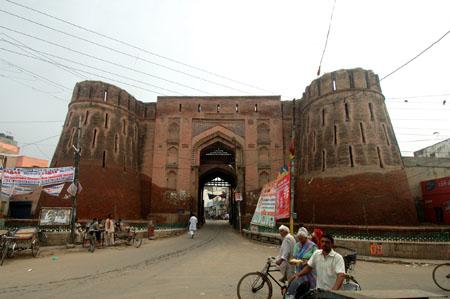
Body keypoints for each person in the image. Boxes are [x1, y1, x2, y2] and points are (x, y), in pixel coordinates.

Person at [285, 228, 318, 299]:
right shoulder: (297, 245)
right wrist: (292, 261)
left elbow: (317, 259)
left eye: (302, 239)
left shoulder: (313, 246)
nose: (300, 241)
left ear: (306, 237)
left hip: (310, 272)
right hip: (299, 271)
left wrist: (308, 261)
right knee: (299, 291)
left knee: (310, 291)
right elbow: (293, 257)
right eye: (299, 239)